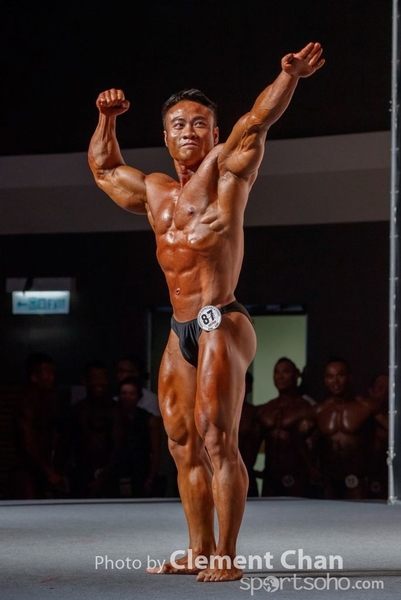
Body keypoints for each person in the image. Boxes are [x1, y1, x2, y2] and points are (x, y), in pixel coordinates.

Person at [88, 42, 325, 582]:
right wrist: (106, 118)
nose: (190, 131)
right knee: (181, 443)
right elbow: (104, 169)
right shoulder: (154, 192)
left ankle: (227, 555)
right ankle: (198, 549)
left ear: (215, 134)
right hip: (180, 328)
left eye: (200, 123)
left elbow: (257, 121)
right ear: (166, 136)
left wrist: (288, 77)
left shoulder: (227, 171)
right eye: (179, 124)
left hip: (222, 318)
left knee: (217, 438)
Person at [311, 358, 378, 500]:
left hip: (358, 479)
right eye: (330, 376)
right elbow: (297, 437)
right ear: (325, 380)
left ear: (350, 377)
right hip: (328, 480)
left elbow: (393, 432)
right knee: (327, 514)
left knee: (359, 514)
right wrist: (310, 467)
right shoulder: (319, 411)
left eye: (340, 375)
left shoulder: (366, 406)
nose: (335, 381)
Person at [256, 357, 316, 498]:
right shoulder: (265, 409)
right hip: (270, 479)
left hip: (297, 479)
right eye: (277, 372)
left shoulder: (306, 408)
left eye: (286, 372)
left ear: (296, 375)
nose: (280, 376)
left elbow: (314, 447)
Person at [11, 352, 68, 499]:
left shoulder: (47, 402)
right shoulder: (26, 404)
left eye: (53, 373)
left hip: (42, 470)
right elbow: (28, 443)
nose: (52, 377)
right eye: (47, 373)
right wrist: (48, 472)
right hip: (27, 471)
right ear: (34, 377)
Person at [68, 360, 125, 498]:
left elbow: (119, 446)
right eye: (95, 377)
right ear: (85, 380)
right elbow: (68, 444)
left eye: (104, 377)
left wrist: (104, 476)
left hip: (108, 474)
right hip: (80, 473)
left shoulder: (115, 410)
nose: (101, 382)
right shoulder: (77, 410)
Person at [116, 376, 164, 497]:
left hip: (140, 471)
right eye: (124, 393)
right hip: (116, 471)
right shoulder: (112, 416)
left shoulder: (149, 419)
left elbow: (156, 452)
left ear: (139, 397)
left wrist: (150, 478)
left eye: (132, 394)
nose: (127, 397)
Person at [238, 371, 262, 497]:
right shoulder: (217, 412)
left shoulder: (255, 413)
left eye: (243, 381)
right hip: (218, 475)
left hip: (247, 475)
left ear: (250, 387)